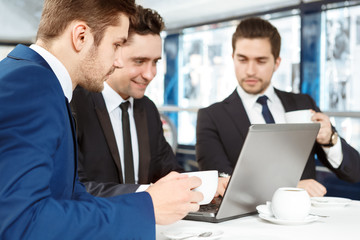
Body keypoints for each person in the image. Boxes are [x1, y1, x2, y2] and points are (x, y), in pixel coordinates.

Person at [0, 1, 202, 239]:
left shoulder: (44, 84)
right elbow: (20, 223)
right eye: (116, 44)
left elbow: (71, 197)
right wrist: (147, 206)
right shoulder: (31, 86)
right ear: (81, 36)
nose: (118, 61)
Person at [196, 17, 360, 198]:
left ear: (277, 63)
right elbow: (222, 186)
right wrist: (290, 187)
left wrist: (330, 139)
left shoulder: (303, 104)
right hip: (247, 224)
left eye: (261, 61)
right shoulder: (212, 117)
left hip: (307, 222)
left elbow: (354, 172)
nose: (250, 70)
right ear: (233, 58)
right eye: (242, 60)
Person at [71, 5, 183, 196]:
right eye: (139, 61)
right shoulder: (75, 105)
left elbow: (170, 172)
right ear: (113, 52)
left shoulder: (147, 109)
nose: (150, 74)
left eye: (155, 62)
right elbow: (75, 188)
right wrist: (147, 194)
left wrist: (208, 186)